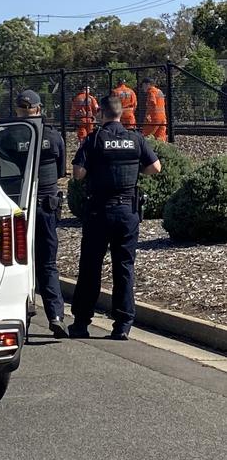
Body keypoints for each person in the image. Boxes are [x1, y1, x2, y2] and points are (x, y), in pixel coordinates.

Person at [68, 94, 161, 341]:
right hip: (127, 213)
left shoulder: (94, 139)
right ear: (122, 113)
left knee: (90, 267)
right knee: (124, 267)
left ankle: (81, 323)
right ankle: (122, 325)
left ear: (101, 113)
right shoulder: (135, 139)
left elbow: (78, 173)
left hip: (99, 212)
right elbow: (155, 168)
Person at [15, 89, 68, 338]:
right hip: (47, 205)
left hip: (19, 207)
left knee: (19, 262)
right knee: (48, 264)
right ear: (40, 109)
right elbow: (59, 171)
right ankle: (56, 315)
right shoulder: (54, 137)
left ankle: (23, 314)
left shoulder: (9, 137)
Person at [141, 77, 167, 141]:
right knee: (160, 137)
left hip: (154, 117)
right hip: (162, 117)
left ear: (148, 84)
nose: (142, 87)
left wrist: (148, 115)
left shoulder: (151, 92)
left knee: (146, 135)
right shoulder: (159, 91)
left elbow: (152, 102)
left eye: (143, 85)